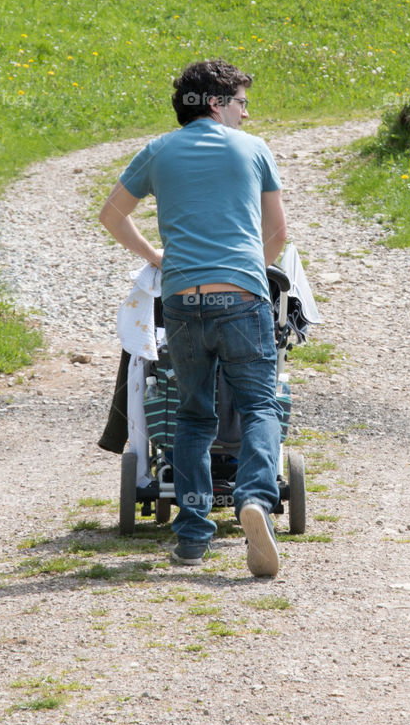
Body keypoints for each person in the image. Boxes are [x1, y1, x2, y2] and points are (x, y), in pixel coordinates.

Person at [98, 59, 287, 577]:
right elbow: (279, 233)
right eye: (242, 102)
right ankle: (253, 498)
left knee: (193, 414)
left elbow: (111, 215)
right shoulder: (253, 150)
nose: (247, 114)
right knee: (258, 406)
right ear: (215, 103)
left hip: (182, 301)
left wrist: (157, 258)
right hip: (242, 298)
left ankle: (192, 535)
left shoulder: (157, 151)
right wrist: (251, 271)